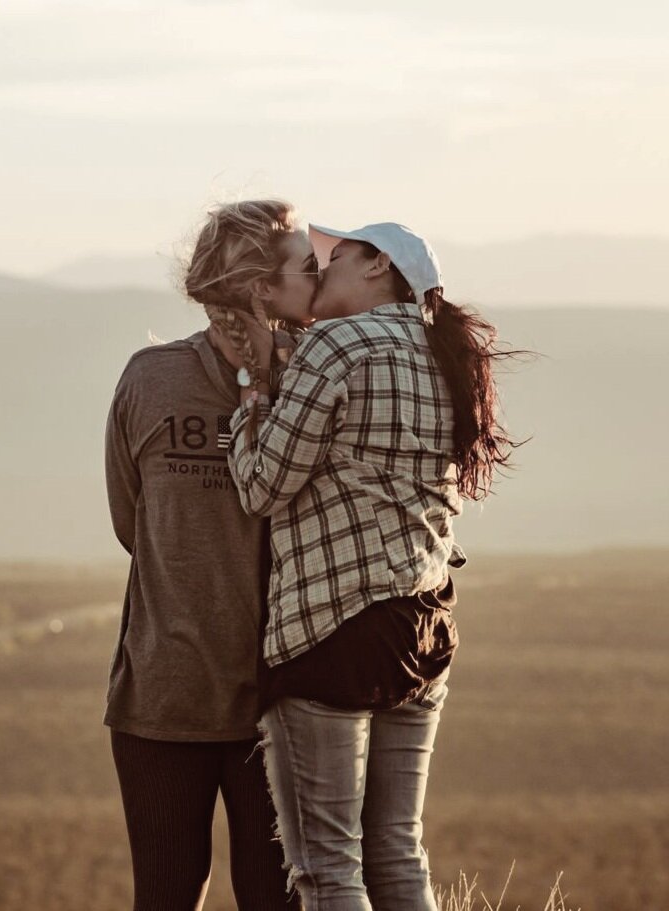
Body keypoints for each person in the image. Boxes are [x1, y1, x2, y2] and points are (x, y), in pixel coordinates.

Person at [212, 221, 521, 910]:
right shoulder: (448, 354)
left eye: (336, 258)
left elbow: (262, 486)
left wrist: (249, 406)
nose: (321, 272)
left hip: (332, 625)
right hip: (425, 622)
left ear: (380, 265)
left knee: (327, 867)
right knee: (397, 852)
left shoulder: (335, 343)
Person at [103, 199, 316, 911]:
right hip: (163, 699)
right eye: (305, 267)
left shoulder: (316, 382)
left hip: (282, 702)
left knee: (276, 900)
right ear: (258, 284)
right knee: (164, 895)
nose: (318, 281)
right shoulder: (150, 378)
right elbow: (133, 523)